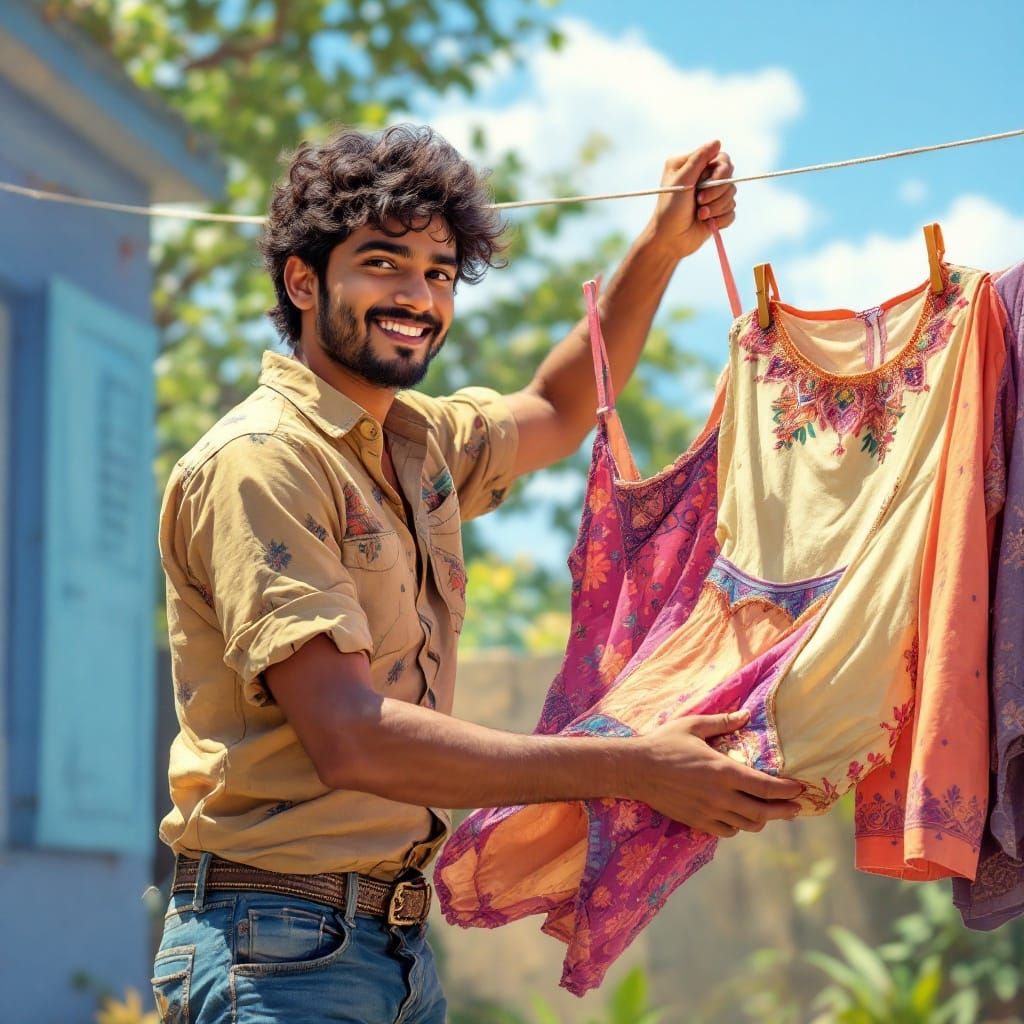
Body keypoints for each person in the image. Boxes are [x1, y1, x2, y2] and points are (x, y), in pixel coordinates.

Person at [152, 124, 802, 1024]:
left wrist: (660, 245)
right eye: (384, 263)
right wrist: (633, 768)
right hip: (278, 947)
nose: (418, 296)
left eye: (440, 273)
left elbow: (559, 405)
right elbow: (352, 737)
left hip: (390, 946)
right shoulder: (265, 461)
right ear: (304, 281)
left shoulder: (415, 444)